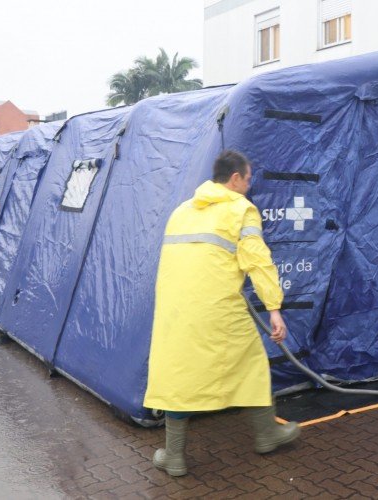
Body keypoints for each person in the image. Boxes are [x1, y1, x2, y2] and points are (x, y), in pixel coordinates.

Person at [143, 150, 300, 477]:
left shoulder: (181, 211)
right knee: (253, 363)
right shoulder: (241, 209)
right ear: (235, 179)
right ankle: (267, 434)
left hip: (173, 312)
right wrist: (274, 309)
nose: (250, 184)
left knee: (177, 378)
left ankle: (174, 456)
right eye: (248, 178)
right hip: (218, 309)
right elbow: (258, 261)